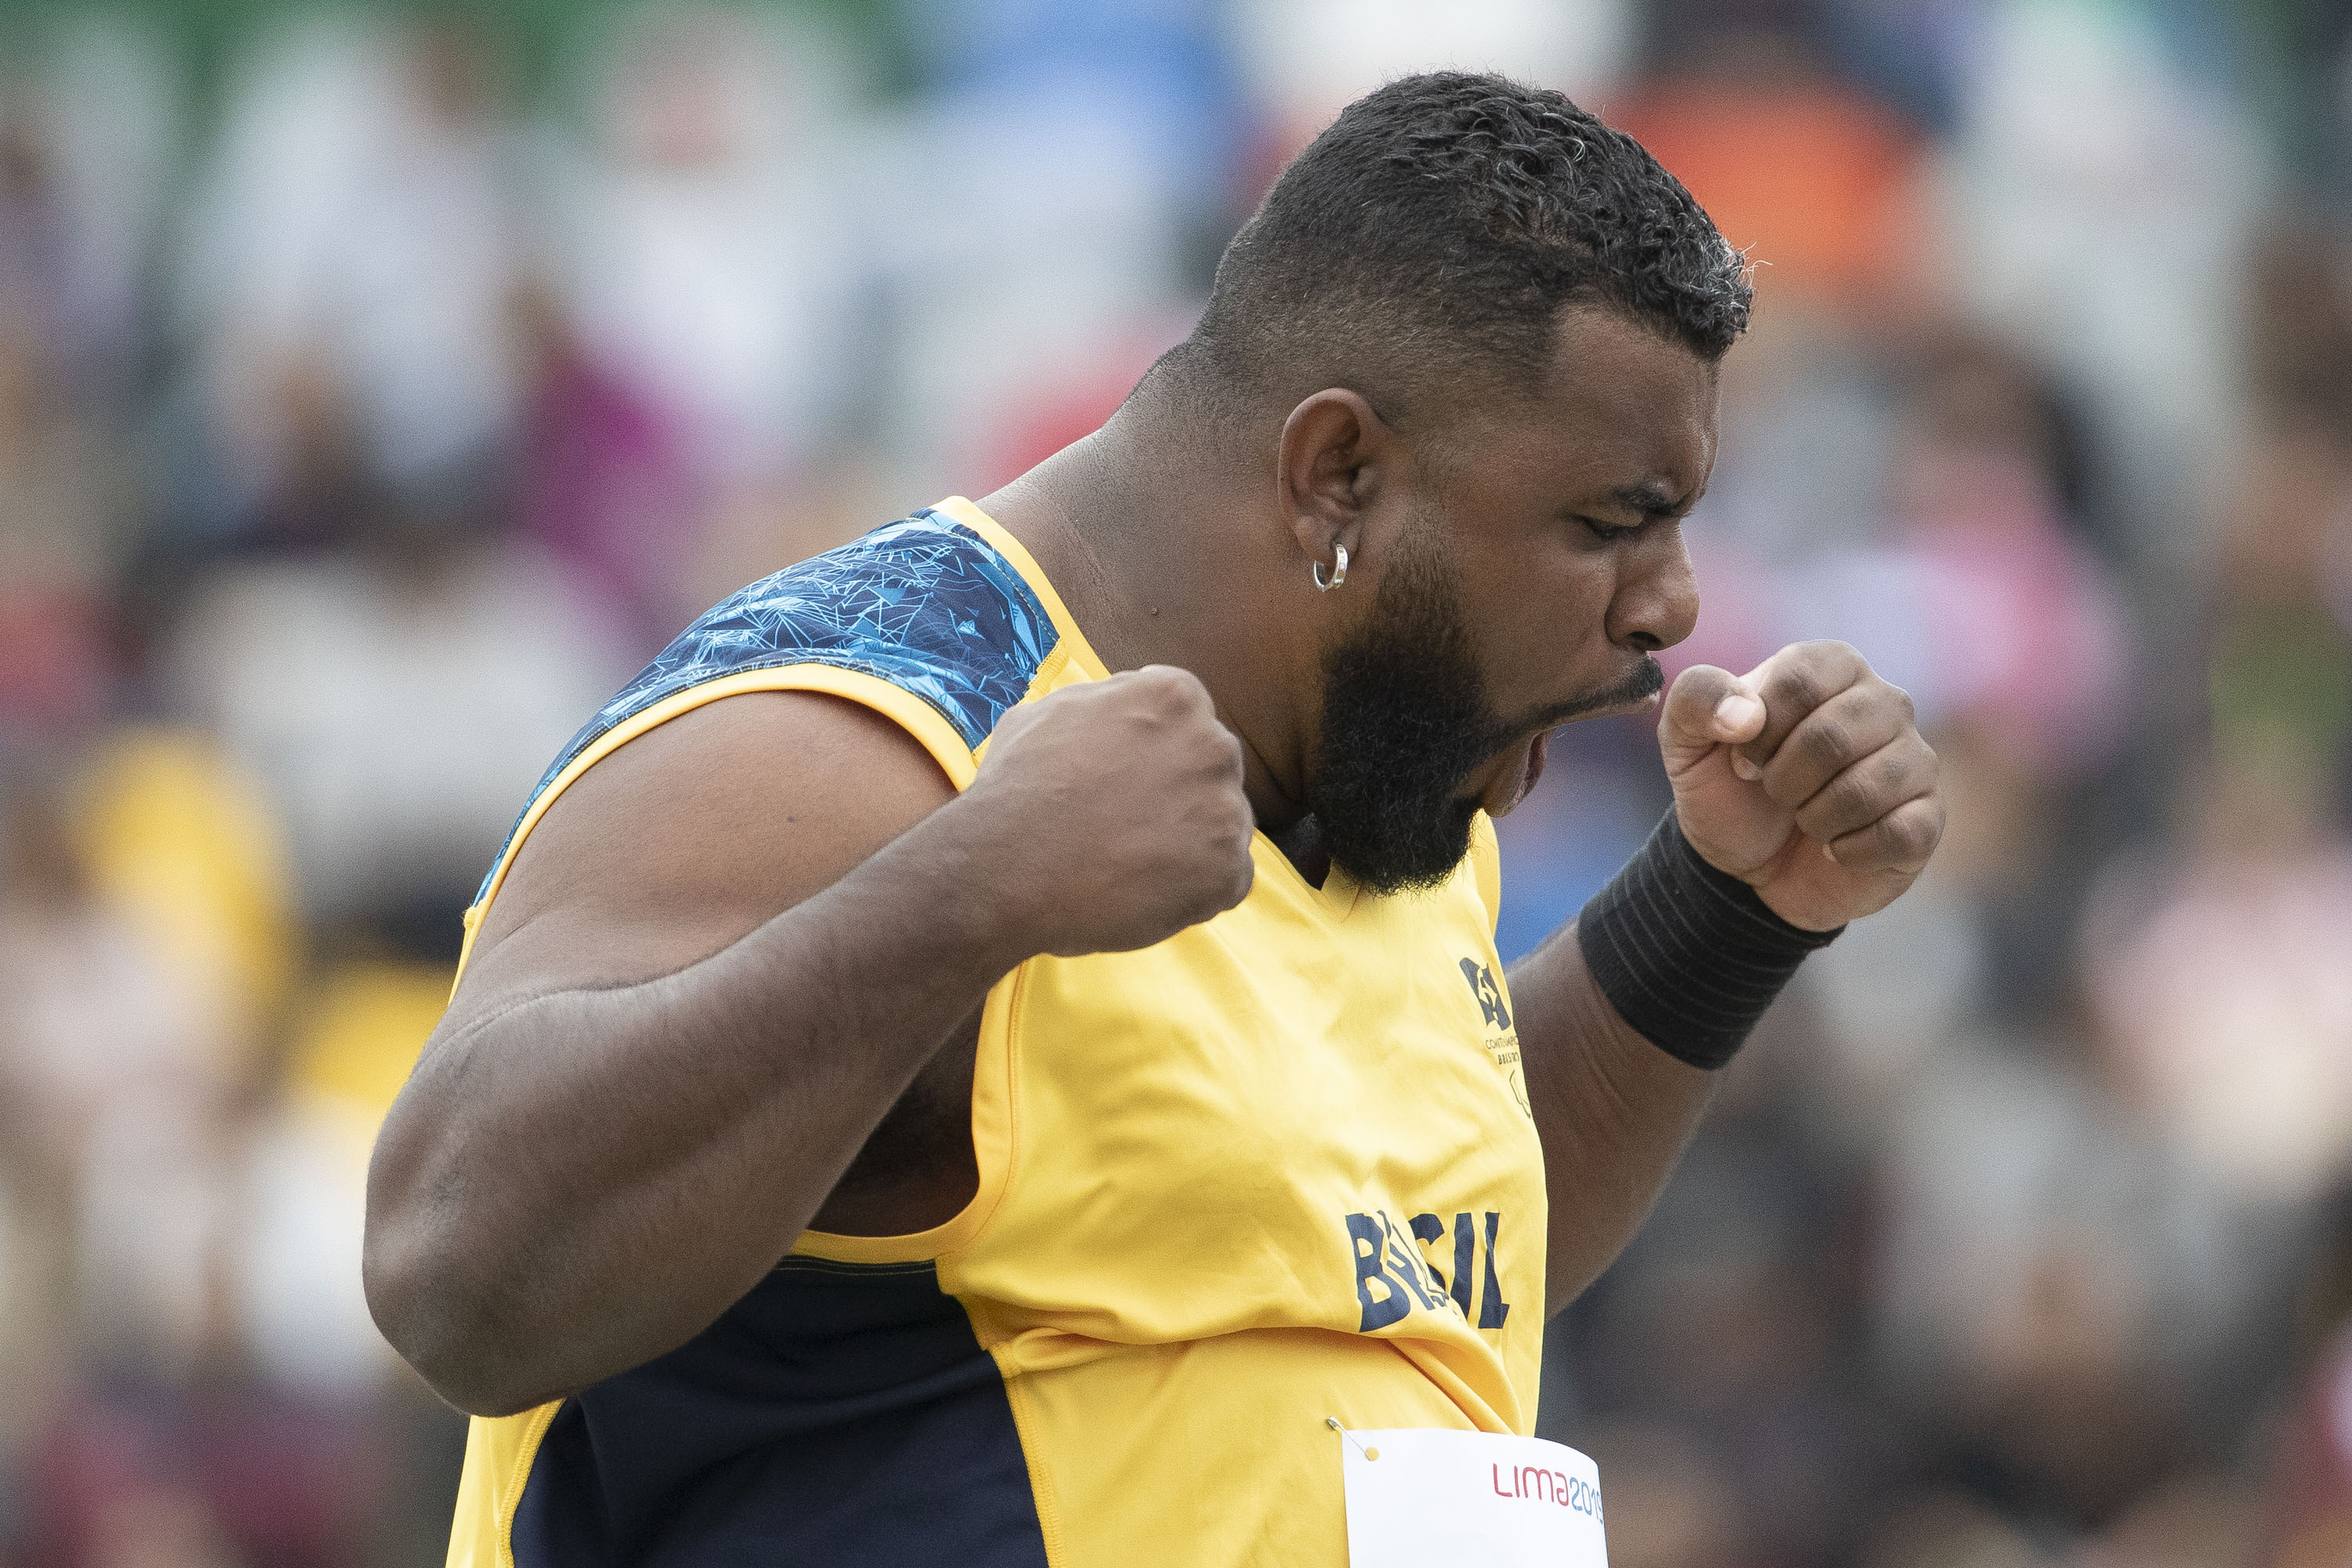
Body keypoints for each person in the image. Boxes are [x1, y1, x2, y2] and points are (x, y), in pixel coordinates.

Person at [363, 72, 1943, 1566]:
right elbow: (455, 1266)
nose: (1672, 603)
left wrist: (1729, 909)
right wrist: (953, 898)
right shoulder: (868, 724)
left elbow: (1397, 1244)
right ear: (1338, 476)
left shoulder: (1376, 765)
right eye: (1613, 523)